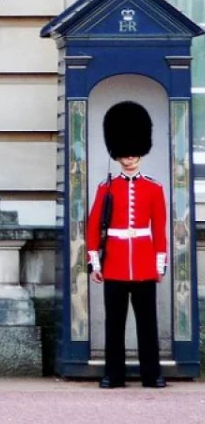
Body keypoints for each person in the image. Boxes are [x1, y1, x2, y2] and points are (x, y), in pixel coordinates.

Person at [86, 101, 168, 389]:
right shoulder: (106, 188)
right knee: (114, 324)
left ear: (141, 152)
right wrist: (95, 262)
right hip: (115, 264)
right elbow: (93, 226)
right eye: (124, 154)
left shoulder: (154, 188)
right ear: (117, 154)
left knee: (148, 324)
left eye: (133, 153)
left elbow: (159, 229)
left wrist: (160, 264)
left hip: (144, 264)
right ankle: (114, 374)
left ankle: (152, 374)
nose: (129, 158)